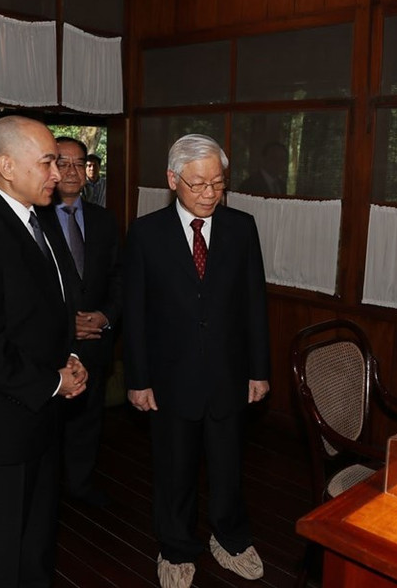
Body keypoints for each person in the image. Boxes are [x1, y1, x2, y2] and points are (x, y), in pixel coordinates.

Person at [0, 116, 88, 588]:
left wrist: (69, 358)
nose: (58, 173)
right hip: (4, 425)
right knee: (3, 551)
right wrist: (51, 381)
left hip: (41, 416)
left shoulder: (34, 218)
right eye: (48, 162)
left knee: (37, 541)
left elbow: (54, 306)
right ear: (6, 165)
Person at [124, 133, 271, 588]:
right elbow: (135, 313)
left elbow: (254, 304)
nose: (209, 194)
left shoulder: (241, 227)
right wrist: (138, 378)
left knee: (228, 466)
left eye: (218, 183)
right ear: (173, 180)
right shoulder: (146, 234)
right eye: (198, 184)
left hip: (229, 375)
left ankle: (229, 539)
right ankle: (175, 547)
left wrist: (259, 370)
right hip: (170, 379)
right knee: (174, 470)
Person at [38, 136, 122, 508]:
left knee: (89, 419)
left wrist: (105, 317)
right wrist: (64, 324)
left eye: (79, 164)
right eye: (63, 162)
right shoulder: (33, 219)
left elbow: (121, 278)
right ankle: (48, 491)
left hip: (97, 340)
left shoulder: (105, 220)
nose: (71, 171)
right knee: (48, 423)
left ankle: (81, 484)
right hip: (51, 343)